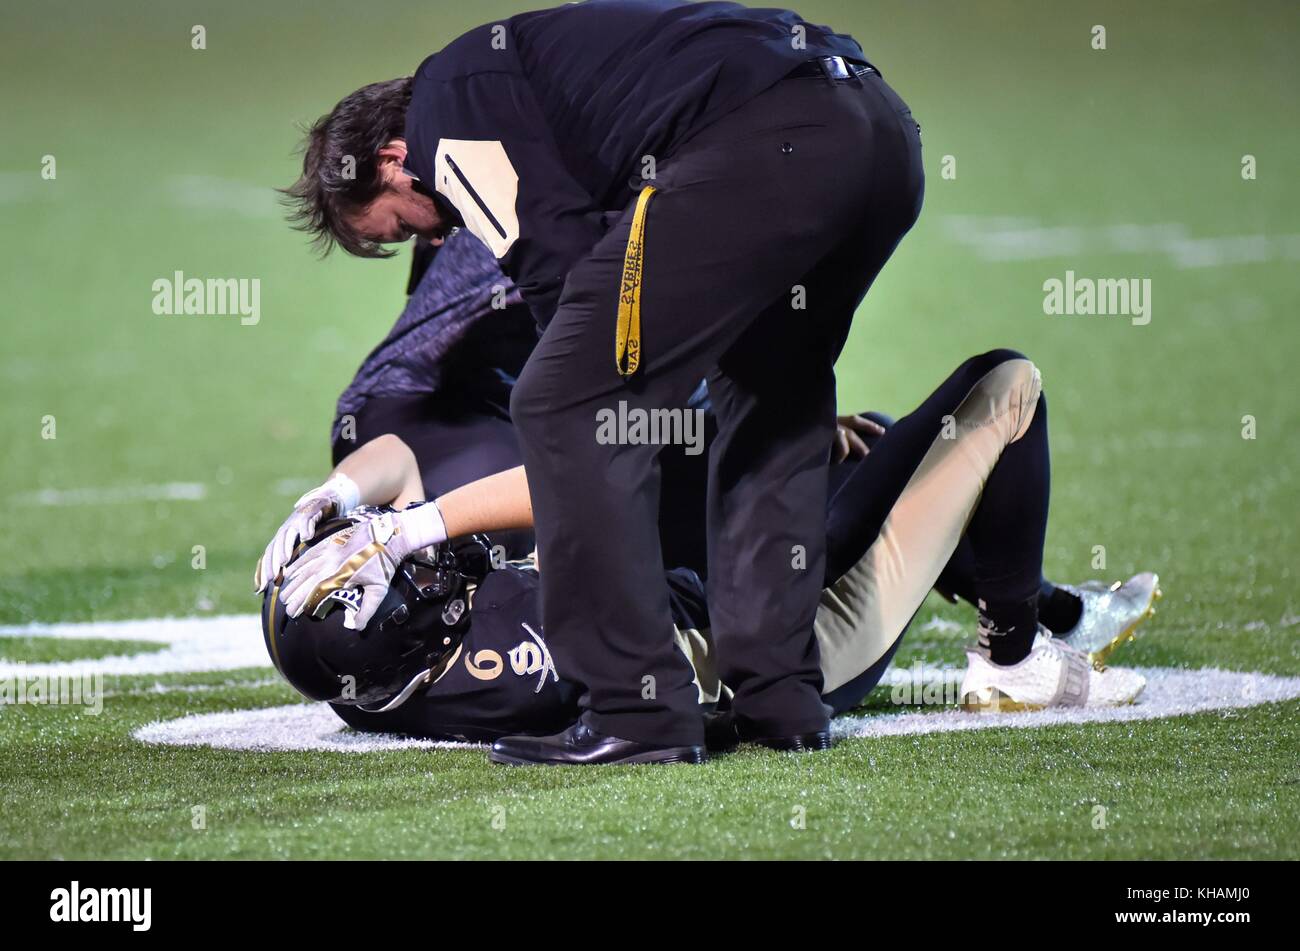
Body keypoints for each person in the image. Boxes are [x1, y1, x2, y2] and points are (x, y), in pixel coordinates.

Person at [279, 0, 925, 763]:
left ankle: (637, 708)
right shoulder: (529, 73)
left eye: (403, 224)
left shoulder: (444, 105)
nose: (433, 236)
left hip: (771, 142)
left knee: (560, 403)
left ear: (392, 158)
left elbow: (558, 256)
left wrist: (594, 386)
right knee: (768, 397)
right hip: (878, 134)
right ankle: (778, 699)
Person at [263, 349, 1160, 762]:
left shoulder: (386, 683)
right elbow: (560, 483)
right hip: (801, 629)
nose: (422, 559)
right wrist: (408, 530)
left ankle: (1046, 611)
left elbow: (412, 470)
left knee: (863, 445)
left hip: (734, 595)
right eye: (406, 578)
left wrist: (342, 496)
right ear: (401, 627)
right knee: (1002, 386)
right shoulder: (501, 635)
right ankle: (1016, 656)